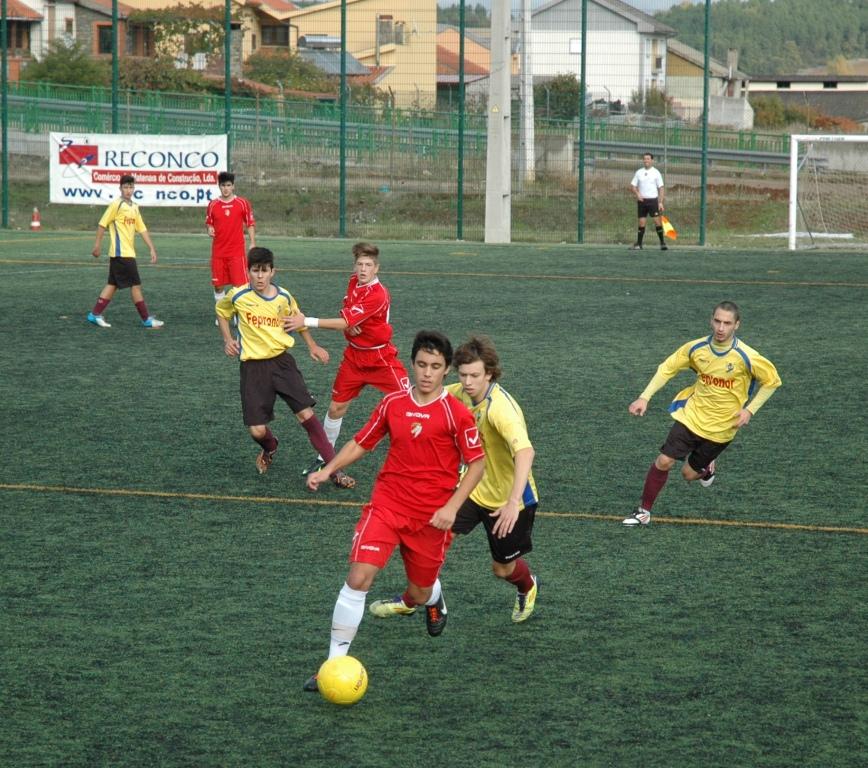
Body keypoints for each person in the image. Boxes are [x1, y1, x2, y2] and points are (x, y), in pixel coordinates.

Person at [302, 330, 485, 693]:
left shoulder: (457, 414)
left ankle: (433, 597)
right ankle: (333, 663)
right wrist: (328, 469)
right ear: (412, 365)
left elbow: (477, 465)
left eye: (435, 366)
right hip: (387, 504)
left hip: (431, 518)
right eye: (421, 365)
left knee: (416, 593)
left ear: (446, 370)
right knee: (358, 578)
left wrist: (452, 507)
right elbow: (362, 441)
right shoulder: (392, 403)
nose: (427, 373)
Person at [623, 301, 781, 525]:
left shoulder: (747, 356)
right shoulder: (696, 349)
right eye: (717, 321)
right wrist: (644, 397)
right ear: (711, 320)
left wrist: (750, 411)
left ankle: (706, 469)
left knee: (688, 474)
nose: (721, 328)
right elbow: (667, 368)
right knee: (664, 461)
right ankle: (644, 512)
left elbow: (772, 382)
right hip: (691, 416)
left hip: (723, 428)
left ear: (737, 325)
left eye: (727, 323)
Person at [215, 246, 355, 488]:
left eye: (264, 271)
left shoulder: (284, 297)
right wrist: (228, 339)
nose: (259, 276)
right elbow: (222, 312)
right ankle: (270, 447)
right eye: (255, 271)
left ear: (272, 272)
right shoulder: (237, 296)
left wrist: (312, 346)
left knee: (306, 415)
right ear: (248, 272)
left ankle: (335, 471)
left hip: (282, 364)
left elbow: (298, 322)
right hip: (252, 369)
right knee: (257, 431)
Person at [283, 242, 409, 476]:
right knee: (336, 407)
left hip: (381, 357)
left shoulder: (378, 294)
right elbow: (348, 314)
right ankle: (325, 456)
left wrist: (306, 321)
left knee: (412, 402)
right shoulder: (353, 282)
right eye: (360, 264)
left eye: (368, 265)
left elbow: (346, 321)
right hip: (354, 357)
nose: (363, 269)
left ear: (376, 268)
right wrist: (350, 328)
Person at [441, 335, 540, 623]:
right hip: (474, 487)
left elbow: (525, 451)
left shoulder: (501, 408)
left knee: (502, 570)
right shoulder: (458, 392)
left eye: (475, 375)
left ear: (489, 373)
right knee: (436, 537)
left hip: (510, 500)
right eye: (463, 374)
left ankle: (528, 584)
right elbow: (427, 395)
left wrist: (512, 503)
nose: (468, 381)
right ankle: (420, 598)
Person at [87, 174, 164, 329]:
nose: (128, 190)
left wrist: (151, 248)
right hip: (121, 253)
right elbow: (102, 224)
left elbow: (141, 228)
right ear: (120, 188)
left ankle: (95, 314)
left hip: (126, 253)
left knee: (112, 284)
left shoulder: (134, 207)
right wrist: (97, 245)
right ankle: (146, 319)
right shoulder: (117, 205)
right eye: (125, 187)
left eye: (131, 187)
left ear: (134, 188)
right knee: (135, 285)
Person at [206, 171, 256, 317]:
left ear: (233, 186)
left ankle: (239, 314)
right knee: (218, 286)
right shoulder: (213, 205)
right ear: (219, 186)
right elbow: (209, 223)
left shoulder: (242, 203)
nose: (226, 188)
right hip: (218, 252)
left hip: (236, 253)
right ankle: (222, 315)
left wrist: (252, 242)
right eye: (223, 185)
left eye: (228, 185)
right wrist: (209, 229)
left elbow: (250, 224)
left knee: (239, 286)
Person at [629, 152, 667, 251]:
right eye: (645, 159)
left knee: (657, 222)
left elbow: (661, 188)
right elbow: (633, 186)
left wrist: (660, 202)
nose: (646, 160)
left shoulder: (656, 172)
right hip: (642, 202)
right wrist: (637, 194)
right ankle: (639, 244)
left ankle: (662, 243)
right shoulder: (639, 172)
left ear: (652, 161)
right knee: (641, 223)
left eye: (648, 159)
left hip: (653, 201)